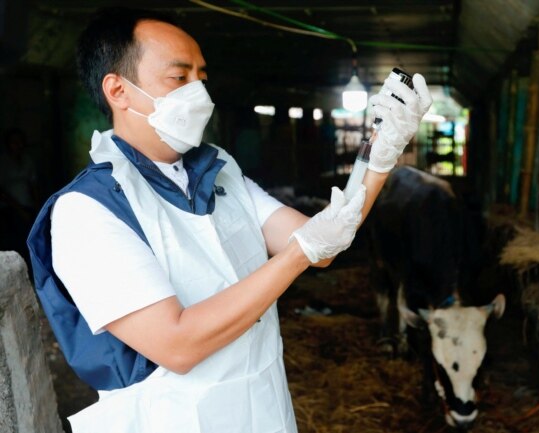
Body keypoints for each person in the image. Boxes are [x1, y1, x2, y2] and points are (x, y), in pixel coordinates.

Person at [27, 7, 432, 433]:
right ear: (118, 90)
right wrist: (298, 254)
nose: (198, 92)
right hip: (171, 420)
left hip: (263, 407)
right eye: (179, 78)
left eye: (201, 77)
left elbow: (321, 246)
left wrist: (380, 154)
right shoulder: (88, 210)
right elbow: (177, 344)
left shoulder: (218, 169)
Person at [0, 127, 38, 261]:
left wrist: (37, 206)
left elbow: (33, 184)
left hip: (28, 207)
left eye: (20, 142)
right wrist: (19, 210)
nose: (18, 145)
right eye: (14, 142)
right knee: (15, 242)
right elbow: (2, 192)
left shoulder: (27, 160)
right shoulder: (3, 162)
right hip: (9, 210)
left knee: (30, 240)